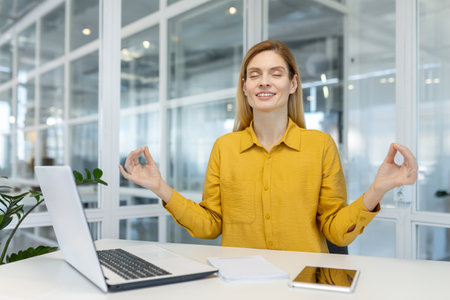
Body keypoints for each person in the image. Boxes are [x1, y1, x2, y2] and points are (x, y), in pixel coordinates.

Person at [119, 40, 418, 253]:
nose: (264, 82)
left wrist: (376, 189)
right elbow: (209, 226)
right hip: (240, 283)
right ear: (245, 88)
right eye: (255, 75)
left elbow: (336, 233)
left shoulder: (320, 145)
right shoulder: (224, 148)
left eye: (276, 73)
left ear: (293, 84)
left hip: (302, 284)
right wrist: (161, 188)